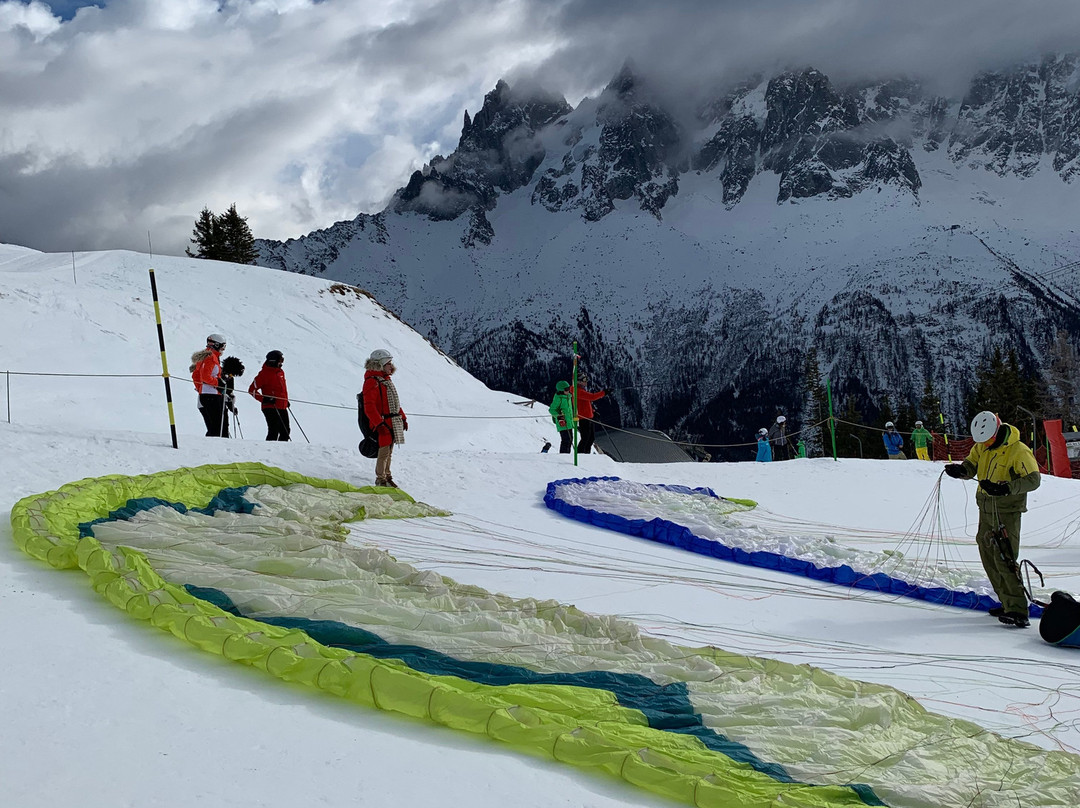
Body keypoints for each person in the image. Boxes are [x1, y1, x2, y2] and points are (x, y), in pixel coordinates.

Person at [944, 411, 1041, 627]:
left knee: (1004, 557)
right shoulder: (982, 446)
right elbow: (972, 464)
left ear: (997, 431)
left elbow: (1033, 480)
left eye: (988, 440)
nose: (984, 444)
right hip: (986, 509)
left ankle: (1017, 610)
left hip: (1006, 511)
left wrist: (1006, 488)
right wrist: (961, 471)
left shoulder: (1018, 450)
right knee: (988, 555)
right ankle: (1006, 602)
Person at [361, 349, 407, 487]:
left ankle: (387, 476)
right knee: (383, 452)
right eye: (388, 363)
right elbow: (369, 406)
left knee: (389, 452)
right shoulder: (372, 382)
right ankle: (381, 479)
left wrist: (403, 418)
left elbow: (395, 403)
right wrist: (379, 424)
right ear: (380, 364)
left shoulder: (384, 381)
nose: (391, 366)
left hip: (391, 422)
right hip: (383, 423)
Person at [248, 350, 290, 441]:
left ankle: (282, 451)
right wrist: (264, 399)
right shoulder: (264, 374)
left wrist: (285, 401)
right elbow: (251, 390)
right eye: (280, 360)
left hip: (282, 406)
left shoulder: (280, 372)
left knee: (285, 431)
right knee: (273, 431)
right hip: (270, 407)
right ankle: (269, 451)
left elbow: (281, 390)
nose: (281, 363)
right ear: (273, 361)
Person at [191, 333, 227, 437]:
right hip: (212, 396)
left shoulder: (206, 356)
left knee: (214, 428)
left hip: (207, 395)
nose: (223, 349)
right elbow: (205, 377)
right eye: (222, 346)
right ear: (216, 345)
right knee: (218, 429)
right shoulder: (211, 357)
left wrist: (200, 389)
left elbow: (195, 375)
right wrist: (218, 383)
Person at [574, 372, 607, 454]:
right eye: (584, 380)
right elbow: (592, 397)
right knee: (585, 438)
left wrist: (593, 412)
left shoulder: (581, 390)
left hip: (589, 416)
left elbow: (586, 403)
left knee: (591, 438)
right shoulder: (577, 391)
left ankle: (586, 454)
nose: (586, 382)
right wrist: (604, 393)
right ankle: (581, 454)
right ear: (579, 381)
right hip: (584, 418)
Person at [219, 356, 246, 438]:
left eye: (233, 375)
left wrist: (232, 406)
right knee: (217, 427)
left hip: (223, 404)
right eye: (231, 374)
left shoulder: (230, 379)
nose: (231, 376)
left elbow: (229, 393)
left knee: (224, 426)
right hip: (214, 402)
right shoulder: (218, 374)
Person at [549, 381, 575, 454]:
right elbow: (552, 409)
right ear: (561, 390)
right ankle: (563, 454)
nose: (568, 390)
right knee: (566, 440)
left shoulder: (568, 396)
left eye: (568, 388)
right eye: (566, 389)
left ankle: (567, 454)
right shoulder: (558, 398)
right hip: (562, 423)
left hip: (569, 422)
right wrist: (559, 416)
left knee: (570, 439)